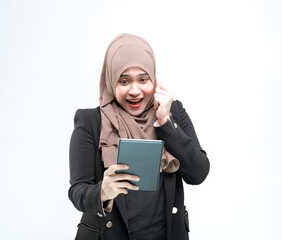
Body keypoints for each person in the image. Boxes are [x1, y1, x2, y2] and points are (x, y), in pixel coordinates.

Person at [68, 33, 210, 240]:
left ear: (153, 78)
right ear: (111, 80)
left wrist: (165, 122)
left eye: (143, 79)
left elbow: (198, 173)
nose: (135, 91)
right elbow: (77, 191)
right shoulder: (91, 121)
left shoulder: (174, 112)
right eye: (124, 81)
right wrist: (103, 191)